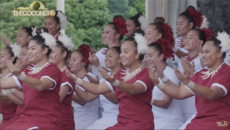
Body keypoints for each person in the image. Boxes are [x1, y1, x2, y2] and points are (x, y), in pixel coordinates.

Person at [65, 33, 154, 129]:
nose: (122, 55)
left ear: (137, 54)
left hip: (140, 125)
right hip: (122, 123)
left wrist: (114, 82)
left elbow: (133, 89)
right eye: (121, 52)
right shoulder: (121, 74)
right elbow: (97, 89)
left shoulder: (146, 73)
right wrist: (76, 79)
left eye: (126, 52)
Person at [148, 32, 230, 129]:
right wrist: (159, 81)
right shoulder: (201, 73)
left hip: (223, 122)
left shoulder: (226, 72)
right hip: (202, 120)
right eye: (202, 52)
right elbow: (179, 92)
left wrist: (188, 82)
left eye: (207, 52)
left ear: (219, 53)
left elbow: (212, 94)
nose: (203, 55)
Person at [4, 31, 62, 129]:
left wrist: (19, 74)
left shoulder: (52, 69)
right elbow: (4, 84)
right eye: (29, 48)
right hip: (26, 118)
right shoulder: (28, 70)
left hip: (46, 120)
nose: (29, 51)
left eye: (33, 48)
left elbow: (40, 85)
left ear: (44, 50)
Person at [69, 47, 121, 129]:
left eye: (110, 56)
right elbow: (87, 97)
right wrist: (74, 83)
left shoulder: (124, 76)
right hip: (104, 119)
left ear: (120, 59)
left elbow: (115, 99)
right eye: (106, 56)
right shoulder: (105, 79)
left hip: (117, 119)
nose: (106, 59)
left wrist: (97, 86)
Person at [177, 28, 214, 124]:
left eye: (191, 38)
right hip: (181, 104)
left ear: (201, 42)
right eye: (186, 38)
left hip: (194, 107)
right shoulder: (183, 60)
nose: (187, 40)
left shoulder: (203, 60)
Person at [146, 39, 184, 129]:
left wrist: (148, 100)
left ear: (161, 56)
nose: (147, 59)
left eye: (150, 55)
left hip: (168, 122)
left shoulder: (170, 73)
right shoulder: (149, 73)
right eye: (146, 56)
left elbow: (166, 103)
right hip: (152, 120)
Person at [69, 44, 100, 129]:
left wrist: (67, 91)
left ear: (83, 62)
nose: (70, 62)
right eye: (70, 59)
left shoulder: (90, 78)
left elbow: (83, 101)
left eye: (74, 60)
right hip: (76, 121)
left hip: (88, 123)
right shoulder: (73, 78)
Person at [49, 34, 75, 130]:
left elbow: (56, 99)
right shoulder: (51, 73)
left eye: (53, 52)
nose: (50, 55)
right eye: (49, 52)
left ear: (63, 54)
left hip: (62, 122)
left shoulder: (67, 75)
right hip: (50, 120)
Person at [90, 15, 126, 80]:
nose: (103, 35)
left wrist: (97, 65)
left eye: (107, 33)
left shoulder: (122, 53)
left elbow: (119, 76)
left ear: (117, 35)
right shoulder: (102, 50)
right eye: (103, 32)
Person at [0, 43, 21, 129]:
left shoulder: (14, 78)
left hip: (10, 118)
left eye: (2, 56)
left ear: (11, 59)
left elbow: (9, 101)